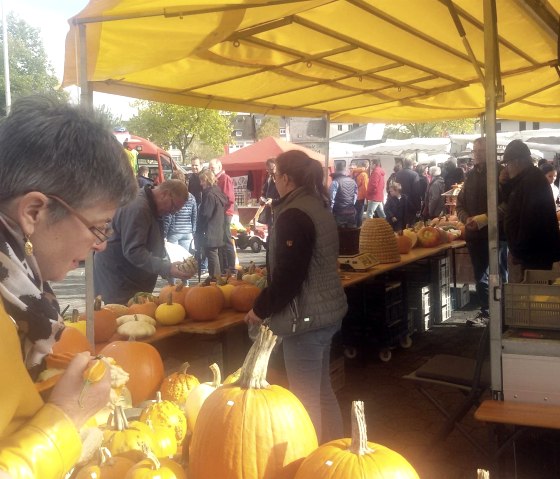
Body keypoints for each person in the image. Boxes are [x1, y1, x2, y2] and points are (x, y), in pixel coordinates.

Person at [0, 95, 138, 477]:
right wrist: (66, 417)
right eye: (98, 226)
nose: (101, 244)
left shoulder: (18, 297)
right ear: (34, 212)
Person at [244, 150, 347, 444]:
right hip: (324, 314)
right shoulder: (316, 204)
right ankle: (332, 455)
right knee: (322, 390)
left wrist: (260, 308)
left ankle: (313, 462)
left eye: (275, 176)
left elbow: (290, 276)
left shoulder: (294, 214)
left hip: (304, 319)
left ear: (287, 178)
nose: (273, 182)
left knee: (304, 400)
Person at [94, 179, 192, 304]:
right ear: (165, 194)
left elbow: (153, 242)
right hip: (119, 278)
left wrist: (167, 263)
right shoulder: (139, 208)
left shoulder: (150, 205)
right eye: (173, 207)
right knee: (124, 318)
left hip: (128, 276)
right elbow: (134, 251)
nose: (172, 213)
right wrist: (167, 268)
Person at [456, 137, 508, 325]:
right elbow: (459, 203)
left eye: (481, 150)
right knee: (480, 276)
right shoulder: (469, 175)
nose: (477, 154)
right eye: (475, 151)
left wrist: (486, 219)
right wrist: (466, 218)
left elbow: (508, 203)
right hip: (474, 236)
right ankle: (487, 312)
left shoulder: (502, 173)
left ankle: (504, 314)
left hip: (498, 234)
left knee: (500, 275)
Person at [500, 140, 560, 281]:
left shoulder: (533, 181)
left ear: (518, 162)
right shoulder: (526, 179)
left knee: (533, 295)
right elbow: (514, 202)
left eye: (508, 164)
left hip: (535, 254)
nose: (507, 169)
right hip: (531, 253)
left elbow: (530, 221)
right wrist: (506, 184)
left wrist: (518, 251)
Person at [196, 170, 229, 279]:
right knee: (215, 254)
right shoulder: (217, 192)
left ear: (207, 180)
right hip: (218, 228)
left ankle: (215, 279)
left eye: (202, 180)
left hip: (211, 229)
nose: (201, 184)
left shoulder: (209, 194)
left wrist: (200, 227)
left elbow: (206, 214)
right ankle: (217, 278)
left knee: (212, 254)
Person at [209, 159, 236, 273]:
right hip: (220, 213)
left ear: (219, 167)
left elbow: (229, 198)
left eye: (213, 168)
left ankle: (231, 267)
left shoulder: (225, 178)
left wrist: (219, 208)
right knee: (221, 239)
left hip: (226, 213)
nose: (211, 170)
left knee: (226, 238)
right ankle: (224, 267)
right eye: (210, 168)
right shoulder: (215, 179)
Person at [163, 171, 198, 252]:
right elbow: (194, 215)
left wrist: (164, 233)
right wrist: (193, 230)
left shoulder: (172, 196)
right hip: (187, 232)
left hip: (174, 232)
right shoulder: (191, 197)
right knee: (185, 259)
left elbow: (169, 217)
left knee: (174, 259)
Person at [329, 162, 357, 228]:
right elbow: (355, 196)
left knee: (340, 235)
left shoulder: (335, 182)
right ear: (345, 170)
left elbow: (331, 199)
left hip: (339, 212)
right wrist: (351, 205)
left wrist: (330, 211)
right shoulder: (353, 181)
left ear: (336, 170)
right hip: (351, 212)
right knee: (351, 234)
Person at [395, 158, 419, 226]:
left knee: (402, 223)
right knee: (411, 225)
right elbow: (416, 191)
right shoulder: (414, 174)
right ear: (411, 165)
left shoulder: (398, 174)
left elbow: (396, 187)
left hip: (400, 201)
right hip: (411, 202)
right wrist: (418, 206)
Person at [258, 158, 280, 228]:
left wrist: (273, 201)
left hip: (279, 211)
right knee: (270, 232)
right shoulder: (269, 179)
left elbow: (285, 197)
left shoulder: (282, 179)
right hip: (270, 212)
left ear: (277, 166)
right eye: (268, 170)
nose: (270, 172)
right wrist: (262, 199)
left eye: (272, 169)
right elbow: (264, 192)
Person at [350, 161, 369, 227]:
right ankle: (358, 228)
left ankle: (353, 225)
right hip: (360, 197)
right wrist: (367, 198)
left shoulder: (354, 172)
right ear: (367, 166)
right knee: (360, 213)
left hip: (353, 195)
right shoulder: (364, 175)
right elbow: (365, 187)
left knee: (354, 212)